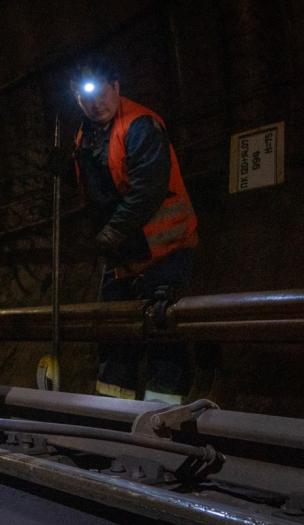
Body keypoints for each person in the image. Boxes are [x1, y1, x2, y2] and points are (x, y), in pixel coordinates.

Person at [70, 57, 198, 405]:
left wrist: (111, 234)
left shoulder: (141, 125)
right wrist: (64, 170)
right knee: (113, 338)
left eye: (100, 94)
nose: (94, 105)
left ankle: (161, 426)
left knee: (163, 337)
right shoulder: (86, 135)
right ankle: (112, 419)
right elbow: (100, 190)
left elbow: (148, 191)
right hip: (124, 255)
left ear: (116, 87)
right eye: (85, 98)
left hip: (164, 249)